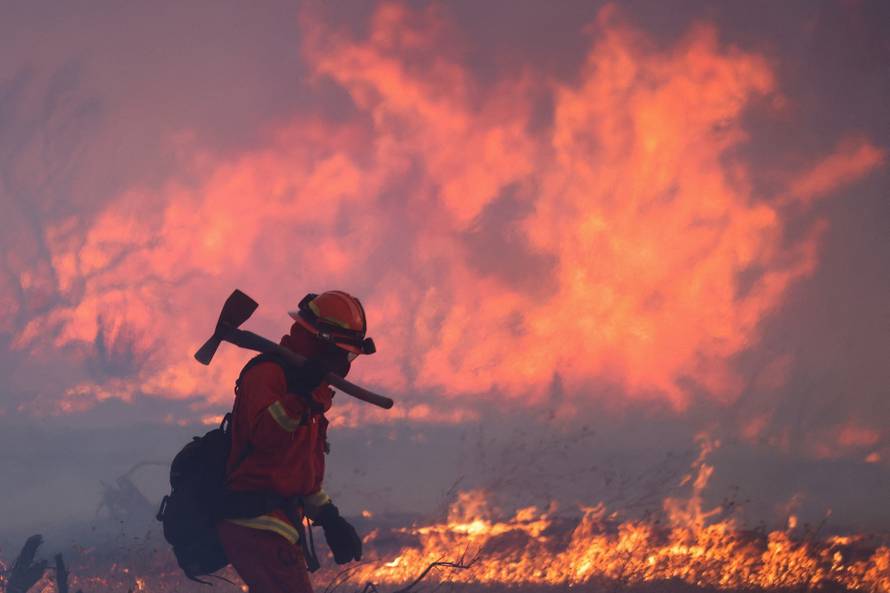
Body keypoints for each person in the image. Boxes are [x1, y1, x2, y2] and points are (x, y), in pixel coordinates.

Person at [217, 290, 376, 593]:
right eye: (344, 355)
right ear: (320, 344)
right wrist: (299, 396)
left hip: (278, 524)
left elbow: (299, 474)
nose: (344, 365)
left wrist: (330, 519)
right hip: (255, 522)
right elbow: (265, 436)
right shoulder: (268, 375)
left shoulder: (310, 390)